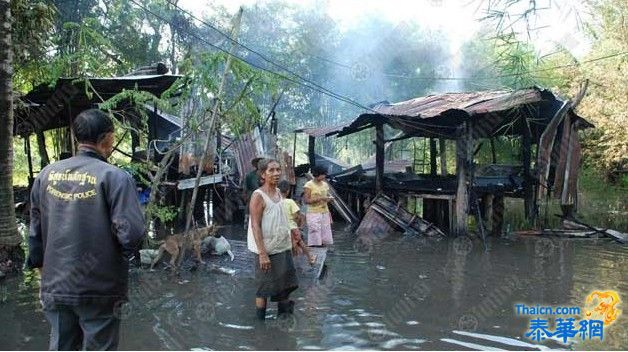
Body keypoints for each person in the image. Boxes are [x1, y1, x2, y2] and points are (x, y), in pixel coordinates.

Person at [26, 109, 145, 350]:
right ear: (108, 138)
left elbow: (35, 232)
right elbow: (131, 235)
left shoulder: (46, 175)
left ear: (76, 136)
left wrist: (43, 272)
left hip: (56, 285)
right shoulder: (115, 177)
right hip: (99, 288)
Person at [248, 159, 299, 321]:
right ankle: (260, 326)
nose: (276, 173)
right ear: (263, 174)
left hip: (282, 247)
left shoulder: (279, 193)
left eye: (278, 170)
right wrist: (262, 254)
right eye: (271, 170)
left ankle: (283, 324)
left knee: (285, 286)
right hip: (266, 249)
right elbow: (255, 226)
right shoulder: (258, 196)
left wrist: (292, 240)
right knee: (263, 288)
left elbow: (283, 219)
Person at [278, 180, 316, 265]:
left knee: (287, 246)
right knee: (300, 242)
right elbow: (297, 215)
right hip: (292, 227)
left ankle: (290, 262)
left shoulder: (276, 202)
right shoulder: (290, 202)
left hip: (281, 227)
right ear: (288, 191)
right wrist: (296, 220)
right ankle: (310, 257)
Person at [303, 165, 334, 247]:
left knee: (325, 232)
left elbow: (326, 197)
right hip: (313, 212)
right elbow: (306, 200)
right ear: (317, 174)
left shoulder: (325, 185)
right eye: (323, 174)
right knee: (314, 231)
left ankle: (322, 250)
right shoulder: (309, 185)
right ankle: (315, 251)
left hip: (325, 212)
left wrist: (328, 199)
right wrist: (320, 198)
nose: (324, 176)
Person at [242, 157, 262, 227]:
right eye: (258, 162)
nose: (259, 164)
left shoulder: (266, 174)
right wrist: (245, 196)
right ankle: (247, 222)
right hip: (252, 195)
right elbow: (245, 187)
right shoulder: (250, 175)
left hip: (263, 196)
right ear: (255, 164)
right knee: (249, 208)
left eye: (261, 162)